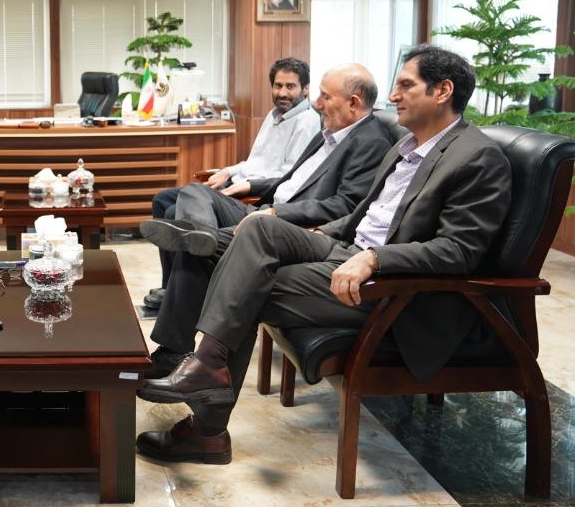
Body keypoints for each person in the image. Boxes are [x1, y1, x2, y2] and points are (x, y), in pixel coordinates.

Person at [135, 45, 511, 466]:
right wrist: (310, 233)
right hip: (343, 247)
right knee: (259, 227)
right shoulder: (407, 146)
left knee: (240, 281)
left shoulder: (477, 156)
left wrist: (376, 259)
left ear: (443, 91)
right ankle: (204, 335)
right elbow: (361, 213)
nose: (392, 96)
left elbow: (459, 251)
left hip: (386, 287)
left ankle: (206, 425)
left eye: (406, 85)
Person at [141, 64, 393, 377]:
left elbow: (346, 206)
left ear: (354, 103)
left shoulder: (370, 142)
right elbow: (291, 179)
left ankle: (171, 353)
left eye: (325, 97)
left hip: (289, 226)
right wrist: (252, 187)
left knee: (195, 253)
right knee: (194, 193)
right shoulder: (329, 133)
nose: (316, 103)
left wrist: (277, 213)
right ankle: (199, 236)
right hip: (267, 208)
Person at [144, 57, 320, 310]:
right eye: (278, 85)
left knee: (174, 213)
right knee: (162, 200)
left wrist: (246, 184)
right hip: (237, 182)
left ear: (305, 89)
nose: (282, 92)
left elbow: (290, 176)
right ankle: (170, 284)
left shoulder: (307, 123)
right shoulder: (274, 115)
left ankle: (182, 292)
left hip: (254, 194)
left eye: (290, 86)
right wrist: (228, 171)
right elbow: (254, 161)